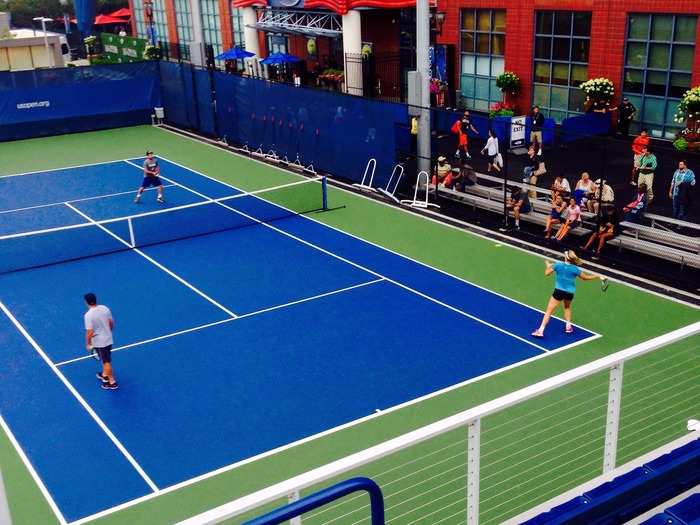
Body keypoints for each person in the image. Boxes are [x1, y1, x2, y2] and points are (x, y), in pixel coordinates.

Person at [531, 250, 604, 338]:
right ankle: (568, 327)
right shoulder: (575, 269)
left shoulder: (558, 265)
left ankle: (540, 331)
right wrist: (596, 276)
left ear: (566, 257)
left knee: (549, 311)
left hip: (558, 291)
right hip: (569, 293)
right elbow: (585, 278)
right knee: (567, 307)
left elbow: (546, 273)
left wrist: (548, 265)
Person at [84, 293, 118, 390]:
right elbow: (111, 322)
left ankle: (112, 382)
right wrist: (108, 332)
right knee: (105, 359)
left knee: (106, 361)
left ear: (86, 302)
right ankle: (104, 374)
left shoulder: (88, 315)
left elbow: (90, 331)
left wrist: (88, 343)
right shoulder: (104, 308)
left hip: (100, 342)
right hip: (108, 338)